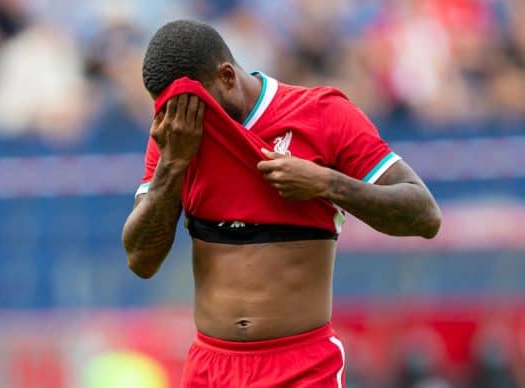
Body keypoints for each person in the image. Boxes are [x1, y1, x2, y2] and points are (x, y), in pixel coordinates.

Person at [122, 20, 441, 388]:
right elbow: (140, 260)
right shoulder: (177, 136)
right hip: (211, 369)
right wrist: (172, 165)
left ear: (226, 77)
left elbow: (424, 214)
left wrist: (327, 183)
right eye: (168, 109)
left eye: (193, 105)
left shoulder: (322, 114)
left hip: (301, 367)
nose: (179, 118)